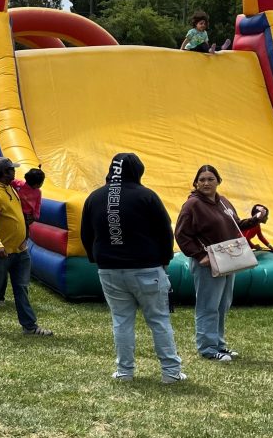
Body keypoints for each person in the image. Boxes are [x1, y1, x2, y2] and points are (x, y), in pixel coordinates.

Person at [81, 153, 185, 384]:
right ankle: (170, 372)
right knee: (158, 320)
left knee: (121, 320)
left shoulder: (95, 197)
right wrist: (165, 258)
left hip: (109, 269)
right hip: (146, 268)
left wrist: (96, 258)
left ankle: (125, 371)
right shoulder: (146, 196)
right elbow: (164, 230)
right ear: (138, 170)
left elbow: (86, 234)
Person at [174, 164, 260, 362]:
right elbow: (181, 234)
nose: (206, 183)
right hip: (209, 262)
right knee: (208, 305)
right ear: (195, 183)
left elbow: (235, 224)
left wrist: (255, 220)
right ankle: (208, 348)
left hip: (228, 259)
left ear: (218, 181)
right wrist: (198, 255)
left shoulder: (223, 202)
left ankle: (219, 344)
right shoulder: (192, 205)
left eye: (210, 179)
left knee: (222, 305)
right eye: (201, 179)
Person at [0, 156, 53, 335]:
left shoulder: (9, 188)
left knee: (22, 288)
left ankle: (29, 326)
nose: (15, 172)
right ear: (4, 173)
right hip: (2, 251)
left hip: (19, 249)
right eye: (12, 169)